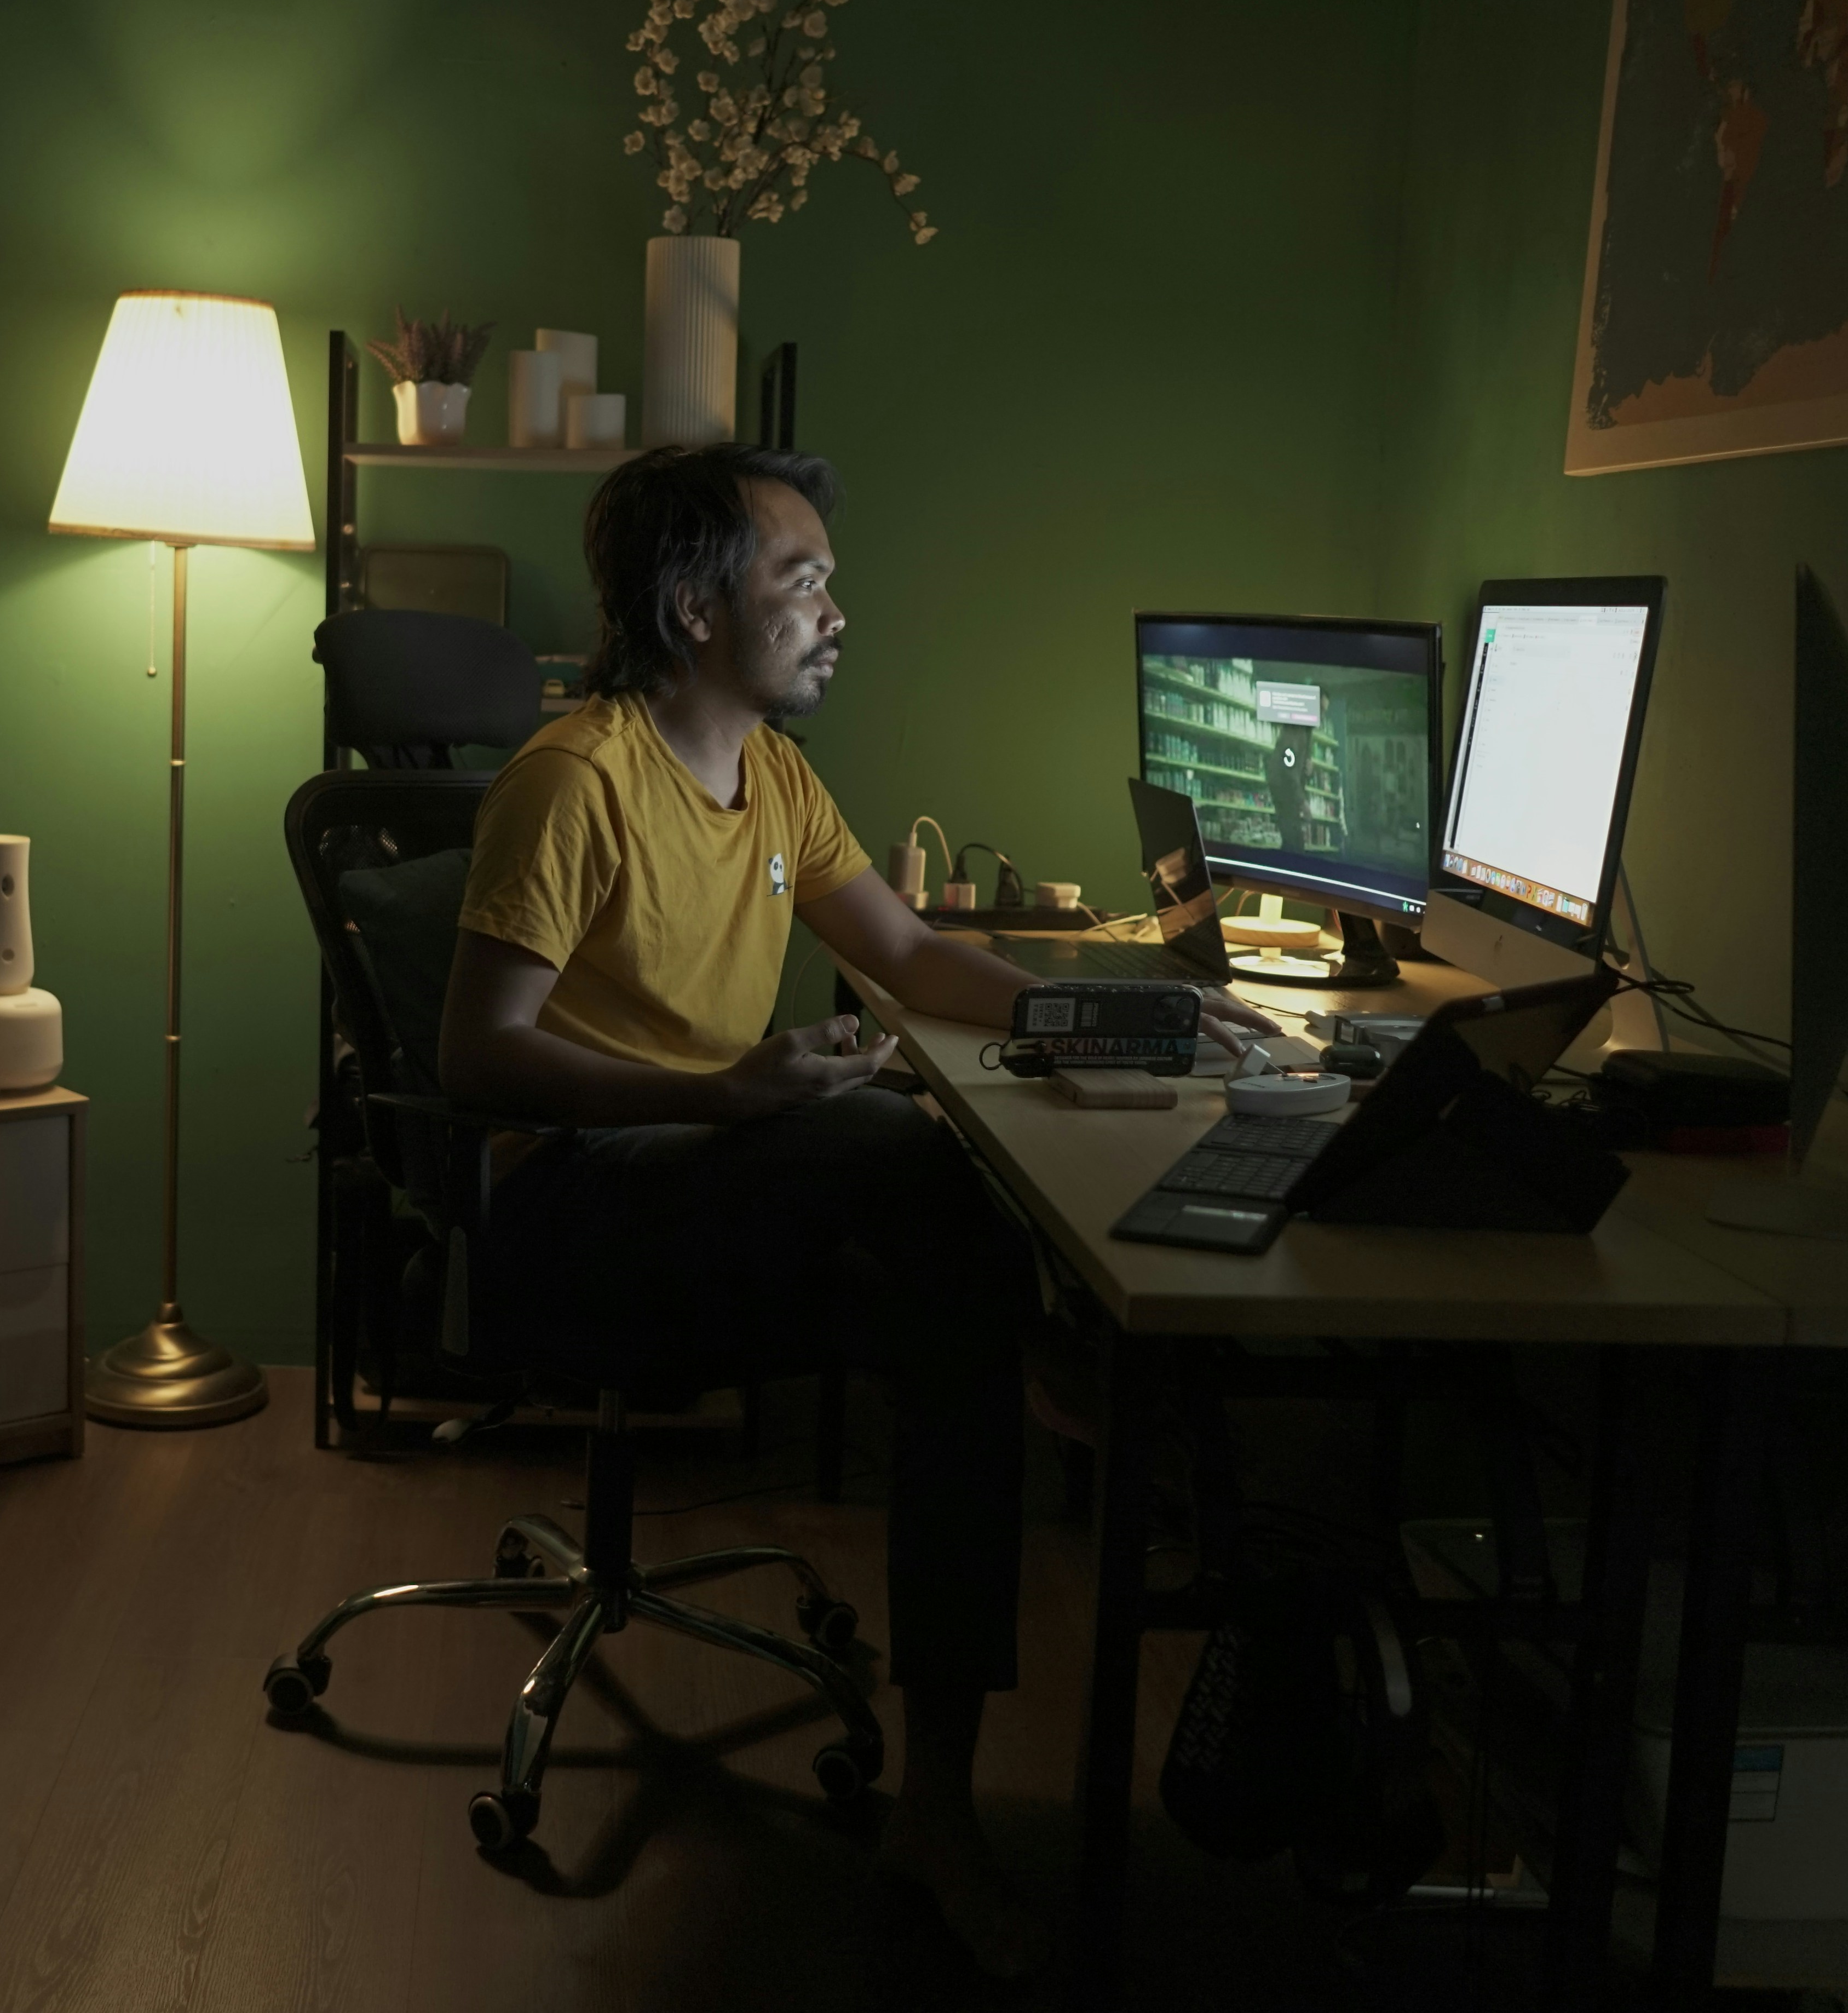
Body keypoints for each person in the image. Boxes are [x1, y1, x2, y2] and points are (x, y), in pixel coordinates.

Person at [440, 442, 1275, 1979]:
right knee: (907, 1150)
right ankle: (1067, 1366)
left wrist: (1123, 1022)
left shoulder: (773, 776)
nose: (838, 612)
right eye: (802, 580)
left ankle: (939, 1806)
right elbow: (479, 1052)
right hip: (584, 1208)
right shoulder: (573, 781)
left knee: (949, 1310)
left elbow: (913, 954)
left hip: (725, 1185)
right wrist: (729, 1091)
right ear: (698, 610)